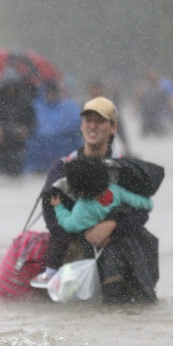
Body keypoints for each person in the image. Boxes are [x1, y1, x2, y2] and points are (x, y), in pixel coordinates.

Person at [30, 97, 160, 303]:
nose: (93, 126)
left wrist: (112, 227)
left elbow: (141, 213)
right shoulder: (62, 166)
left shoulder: (125, 169)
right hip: (74, 246)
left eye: (100, 121)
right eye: (88, 120)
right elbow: (51, 215)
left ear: (113, 127)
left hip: (119, 245)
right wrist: (84, 233)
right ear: (81, 126)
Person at [50, 155, 153, 234]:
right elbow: (140, 202)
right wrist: (148, 203)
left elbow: (70, 226)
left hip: (97, 251)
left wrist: (58, 208)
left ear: (76, 188)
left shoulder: (83, 208)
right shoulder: (115, 191)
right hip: (121, 243)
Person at [24, 81, 82, 173]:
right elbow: (29, 125)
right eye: (48, 92)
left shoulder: (69, 106)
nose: (51, 95)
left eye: (53, 92)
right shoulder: (35, 107)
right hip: (39, 148)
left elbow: (77, 124)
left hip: (62, 145)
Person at [87, 79, 132, 155]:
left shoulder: (109, 107)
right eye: (93, 90)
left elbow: (118, 125)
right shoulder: (84, 106)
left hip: (106, 146)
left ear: (102, 91)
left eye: (98, 89)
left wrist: (125, 144)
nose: (96, 92)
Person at [138, 69, 171, 137]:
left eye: (154, 78)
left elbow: (167, 101)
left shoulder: (160, 89)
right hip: (147, 117)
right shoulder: (144, 88)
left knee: (160, 135)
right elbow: (139, 99)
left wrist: (170, 111)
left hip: (157, 117)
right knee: (146, 135)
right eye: (151, 78)